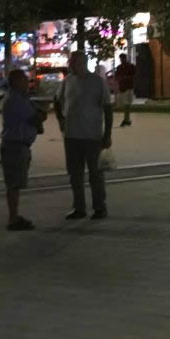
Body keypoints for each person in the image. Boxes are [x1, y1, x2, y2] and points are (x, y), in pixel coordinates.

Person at [54, 50, 113, 220]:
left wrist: (107, 134)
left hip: (92, 136)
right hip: (71, 136)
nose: (69, 65)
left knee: (95, 174)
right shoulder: (68, 81)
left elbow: (108, 108)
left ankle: (99, 207)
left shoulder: (97, 82)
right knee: (75, 174)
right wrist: (60, 119)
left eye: (72, 62)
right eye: (70, 62)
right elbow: (57, 100)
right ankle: (79, 207)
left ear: (82, 63)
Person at [0, 69, 44, 231]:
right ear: (17, 82)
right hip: (16, 145)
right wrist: (40, 117)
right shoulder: (16, 99)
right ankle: (13, 218)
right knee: (14, 184)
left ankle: (14, 216)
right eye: (24, 80)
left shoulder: (18, 98)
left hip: (17, 145)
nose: (27, 82)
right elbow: (35, 117)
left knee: (15, 183)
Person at [113, 53, 136, 127]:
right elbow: (116, 76)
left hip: (128, 87)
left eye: (123, 58)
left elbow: (134, 76)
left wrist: (124, 78)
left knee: (127, 104)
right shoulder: (119, 67)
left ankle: (126, 119)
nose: (122, 60)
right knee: (125, 104)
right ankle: (127, 119)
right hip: (122, 87)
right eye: (121, 59)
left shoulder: (131, 66)